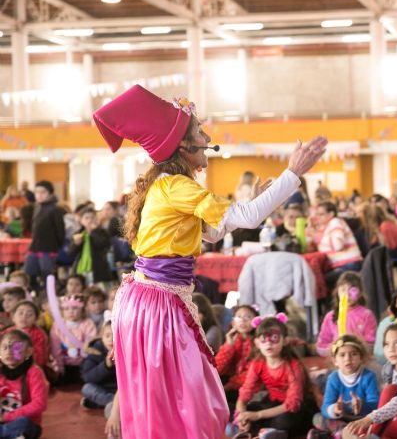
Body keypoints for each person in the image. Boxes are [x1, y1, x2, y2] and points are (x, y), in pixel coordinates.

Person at [93, 84, 326, 438]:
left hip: (150, 299)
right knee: (195, 401)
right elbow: (245, 217)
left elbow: (213, 232)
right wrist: (292, 173)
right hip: (158, 302)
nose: (207, 136)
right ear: (182, 146)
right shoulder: (175, 185)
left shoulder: (169, 186)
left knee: (175, 401)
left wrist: (263, 200)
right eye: (200, 131)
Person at [234, 316, 318, 438]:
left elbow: (292, 404)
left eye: (274, 338)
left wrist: (257, 416)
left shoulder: (293, 366)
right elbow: (244, 394)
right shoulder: (257, 364)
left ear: (285, 341)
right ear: (257, 343)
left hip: (294, 409)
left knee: (285, 420)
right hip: (273, 403)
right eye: (263, 338)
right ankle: (266, 432)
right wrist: (241, 416)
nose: (268, 342)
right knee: (242, 409)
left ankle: (270, 432)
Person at [312, 335, 380, 437]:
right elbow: (325, 406)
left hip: (362, 419)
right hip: (341, 418)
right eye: (342, 355)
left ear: (361, 357)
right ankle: (341, 432)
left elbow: (375, 405)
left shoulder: (368, 376)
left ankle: (335, 434)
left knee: (380, 421)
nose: (348, 359)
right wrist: (334, 409)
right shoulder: (333, 378)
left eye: (353, 354)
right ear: (335, 360)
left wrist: (361, 405)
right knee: (317, 418)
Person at [315, 272, 377, 357]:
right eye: (343, 290)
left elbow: (371, 345)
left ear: (360, 293)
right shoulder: (330, 317)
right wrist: (335, 347)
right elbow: (321, 347)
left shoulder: (367, 315)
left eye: (352, 290)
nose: (347, 294)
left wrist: (353, 344)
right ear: (337, 292)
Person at [0, 330, 48, 439]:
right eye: (4, 348)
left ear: (28, 352)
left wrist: (7, 417)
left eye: (15, 348)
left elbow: (39, 404)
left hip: (25, 423)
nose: (9, 352)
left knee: (23, 423)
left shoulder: (34, 372)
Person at [216, 305, 259, 413]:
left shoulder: (259, 342)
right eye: (239, 317)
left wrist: (227, 387)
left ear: (256, 321)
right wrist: (228, 346)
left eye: (247, 317)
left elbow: (251, 375)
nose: (243, 321)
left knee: (220, 399)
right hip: (232, 384)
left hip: (249, 386)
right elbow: (217, 369)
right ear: (233, 322)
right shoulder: (232, 339)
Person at [23, 181, 65, 289]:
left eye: (43, 192)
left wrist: (56, 247)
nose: (39, 195)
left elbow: (60, 231)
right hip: (34, 247)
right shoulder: (37, 207)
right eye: (37, 192)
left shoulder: (55, 209)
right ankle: (36, 295)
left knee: (47, 277)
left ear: (50, 194)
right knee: (28, 273)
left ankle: (47, 299)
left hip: (48, 249)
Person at [312, 201, 363, 289]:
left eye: (321, 214)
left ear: (331, 214)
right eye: (317, 214)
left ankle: (340, 301)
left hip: (348, 264)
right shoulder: (326, 226)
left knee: (318, 281)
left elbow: (338, 245)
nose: (318, 217)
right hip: (345, 264)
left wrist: (317, 237)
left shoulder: (336, 222)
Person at [49, 294, 97, 385]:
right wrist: (59, 368)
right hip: (65, 364)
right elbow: (55, 349)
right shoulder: (57, 326)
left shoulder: (88, 324)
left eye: (74, 308)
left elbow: (90, 343)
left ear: (82, 310)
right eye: (66, 309)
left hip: (83, 364)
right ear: (62, 311)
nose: (71, 312)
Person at [80, 321, 117, 411]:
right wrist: (106, 365)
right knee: (87, 388)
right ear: (102, 337)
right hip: (103, 388)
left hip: (121, 390)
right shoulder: (96, 351)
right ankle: (114, 404)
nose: (111, 339)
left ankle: (99, 403)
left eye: (115, 335)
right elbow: (87, 377)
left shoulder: (127, 349)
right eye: (107, 336)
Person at [0, 301, 48, 370]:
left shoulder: (39, 335)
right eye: (20, 313)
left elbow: (41, 358)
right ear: (13, 317)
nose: (24, 317)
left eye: (29, 314)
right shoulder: (7, 332)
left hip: (29, 368)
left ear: (36, 320)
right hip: (6, 366)